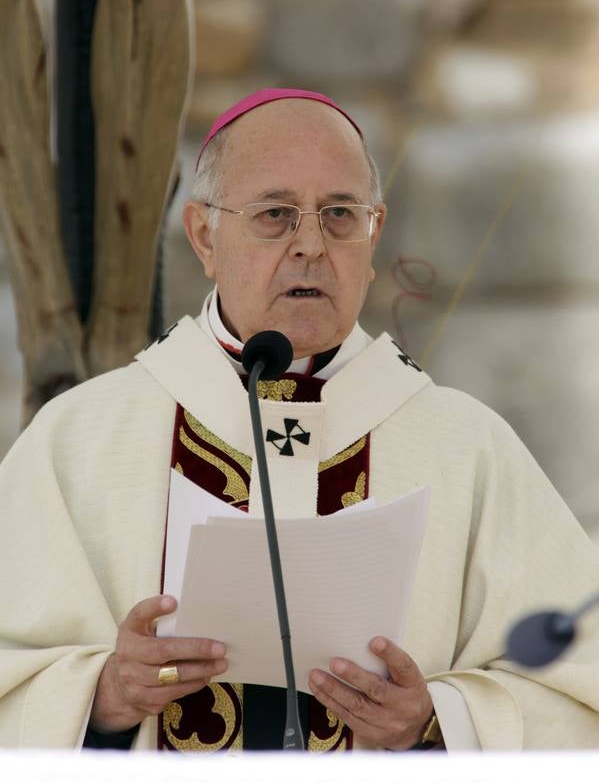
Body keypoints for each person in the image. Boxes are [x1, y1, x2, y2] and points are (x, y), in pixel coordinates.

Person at [1, 88, 598, 752]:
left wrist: (437, 721)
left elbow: (577, 685)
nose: (310, 244)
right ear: (204, 234)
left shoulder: (467, 448)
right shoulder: (80, 439)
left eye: (340, 215)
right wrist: (103, 696)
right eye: (275, 214)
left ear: (374, 234)